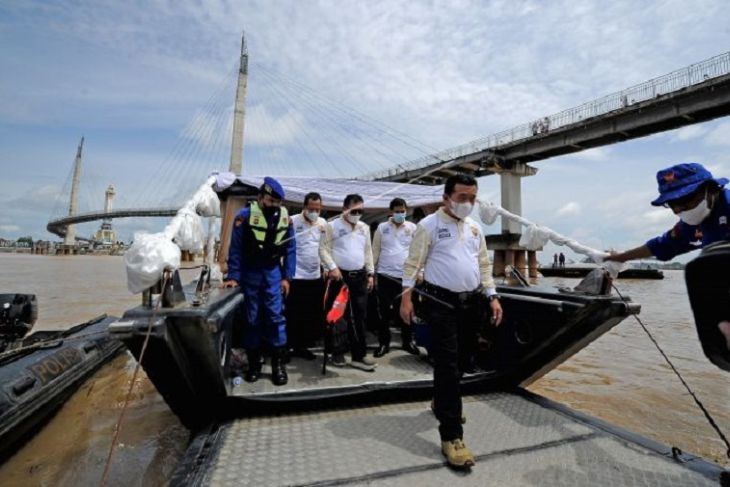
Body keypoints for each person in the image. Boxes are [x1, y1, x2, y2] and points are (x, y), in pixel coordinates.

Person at [399, 174, 503, 468]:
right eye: (461, 198)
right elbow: (413, 264)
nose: (468, 203)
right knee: (447, 363)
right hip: (440, 304)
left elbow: (483, 264)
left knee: (463, 360)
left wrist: (493, 296)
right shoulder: (429, 225)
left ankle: (441, 402)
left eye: (472, 198)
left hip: (472, 303)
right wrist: (406, 297)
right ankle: (452, 436)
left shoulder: (474, 228)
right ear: (446, 198)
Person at [606, 162, 730, 350]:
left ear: (710, 190)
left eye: (686, 200)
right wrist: (621, 257)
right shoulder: (694, 224)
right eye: (672, 205)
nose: (679, 210)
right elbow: (662, 245)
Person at [223, 177, 296, 386]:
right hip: (250, 274)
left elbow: (291, 250)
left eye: (277, 203)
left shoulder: (285, 219)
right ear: (260, 198)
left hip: (273, 273)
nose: (273, 206)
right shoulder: (243, 217)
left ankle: (278, 367)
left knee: (275, 318)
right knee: (251, 318)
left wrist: (286, 277)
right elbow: (235, 250)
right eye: (269, 201)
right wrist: (233, 278)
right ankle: (254, 365)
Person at [319, 194, 378, 371]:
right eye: (354, 210)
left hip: (359, 277)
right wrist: (332, 267)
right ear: (345, 209)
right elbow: (323, 249)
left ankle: (358, 356)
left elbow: (368, 251)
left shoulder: (364, 228)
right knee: (337, 316)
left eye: (360, 210)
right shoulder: (332, 226)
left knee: (359, 317)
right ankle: (336, 351)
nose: (357, 214)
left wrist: (370, 273)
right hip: (340, 277)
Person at [372, 197, 420, 358]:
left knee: (407, 309)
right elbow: (375, 251)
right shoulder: (382, 228)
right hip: (385, 275)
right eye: (397, 211)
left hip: (406, 277)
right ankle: (384, 343)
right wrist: (372, 273)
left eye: (403, 211)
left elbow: (418, 252)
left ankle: (408, 341)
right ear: (390, 212)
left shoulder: (413, 228)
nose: (400, 214)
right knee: (383, 312)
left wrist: (420, 272)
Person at [286, 192, 327, 361]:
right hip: (296, 276)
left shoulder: (323, 223)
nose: (314, 212)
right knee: (292, 313)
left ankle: (302, 346)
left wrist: (325, 267)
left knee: (309, 314)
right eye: (311, 208)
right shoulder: (292, 221)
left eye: (317, 209)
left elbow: (324, 247)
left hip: (315, 276)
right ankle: (287, 347)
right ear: (304, 207)